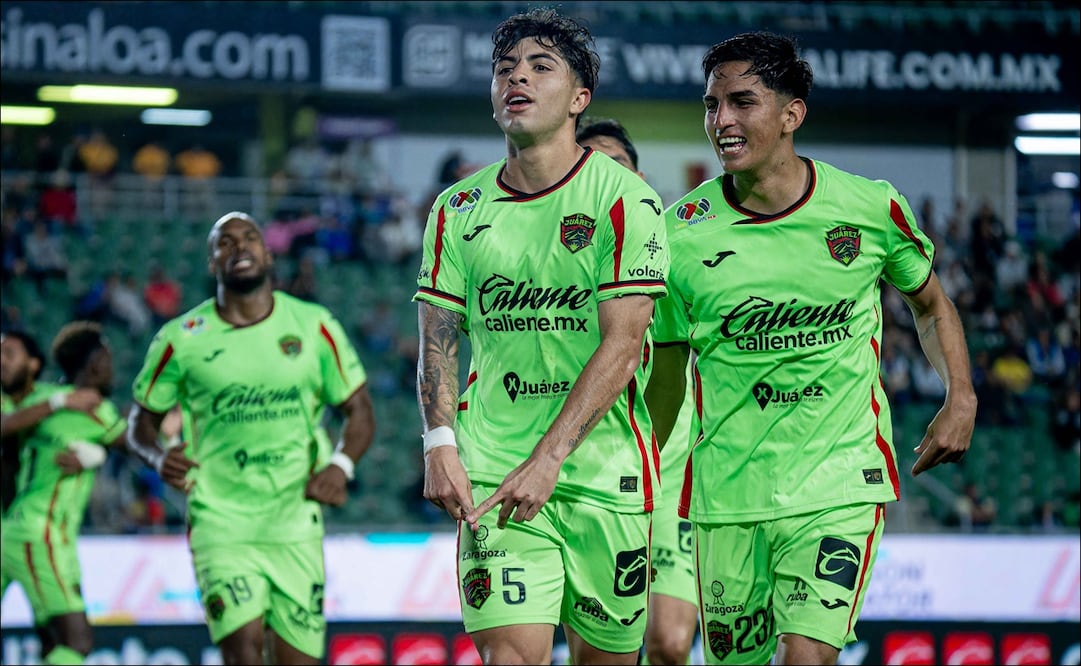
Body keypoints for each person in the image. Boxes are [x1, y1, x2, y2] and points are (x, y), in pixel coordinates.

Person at [644, 32, 977, 666]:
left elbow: (932, 305)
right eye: (712, 105)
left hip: (838, 481)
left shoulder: (870, 208)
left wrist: (960, 396)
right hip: (725, 497)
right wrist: (638, 468)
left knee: (807, 657)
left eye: (743, 102)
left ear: (793, 113)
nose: (723, 121)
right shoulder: (676, 235)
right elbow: (667, 370)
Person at [415, 9, 668, 665]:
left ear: (579, 98)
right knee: (510, 658)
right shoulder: (456, 209)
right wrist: (439, 441)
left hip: (604, 475)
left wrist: (549, 458)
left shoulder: (625, 200)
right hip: (493, 467)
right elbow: (438, 336)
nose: (516, 78)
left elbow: (623, 345)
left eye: (538, 67)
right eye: (504, 69)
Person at [126, 211, 376, 665]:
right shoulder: (180, 339)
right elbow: (139, 423)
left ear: (267, 252)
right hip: (221, 521)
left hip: (295, 521)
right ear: (210, 262)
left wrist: (340, 466)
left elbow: (358, 411)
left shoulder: (313, 324)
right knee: (242, 653)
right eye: (225, 242)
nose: (239, 247)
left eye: (250, 238)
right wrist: (157, 457)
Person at [577, 117, 699, 665]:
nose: (605, 179)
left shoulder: (679, 246)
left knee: (669, 643)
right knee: (599, 646)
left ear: (641, 179)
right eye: (590, 167)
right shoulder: (560, 255)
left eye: (616, 166)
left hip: (672, 468)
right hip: (596, 465)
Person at [1, 323, 125, 665]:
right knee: (77, 640)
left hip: (27, 529)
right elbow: (134, 444)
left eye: (8, 353)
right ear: (94, 362)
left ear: (35, 364)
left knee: (52, 638)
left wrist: (95, 455)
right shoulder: (75, 406)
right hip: (37, 531)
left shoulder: (36, 402)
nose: (1, 361)